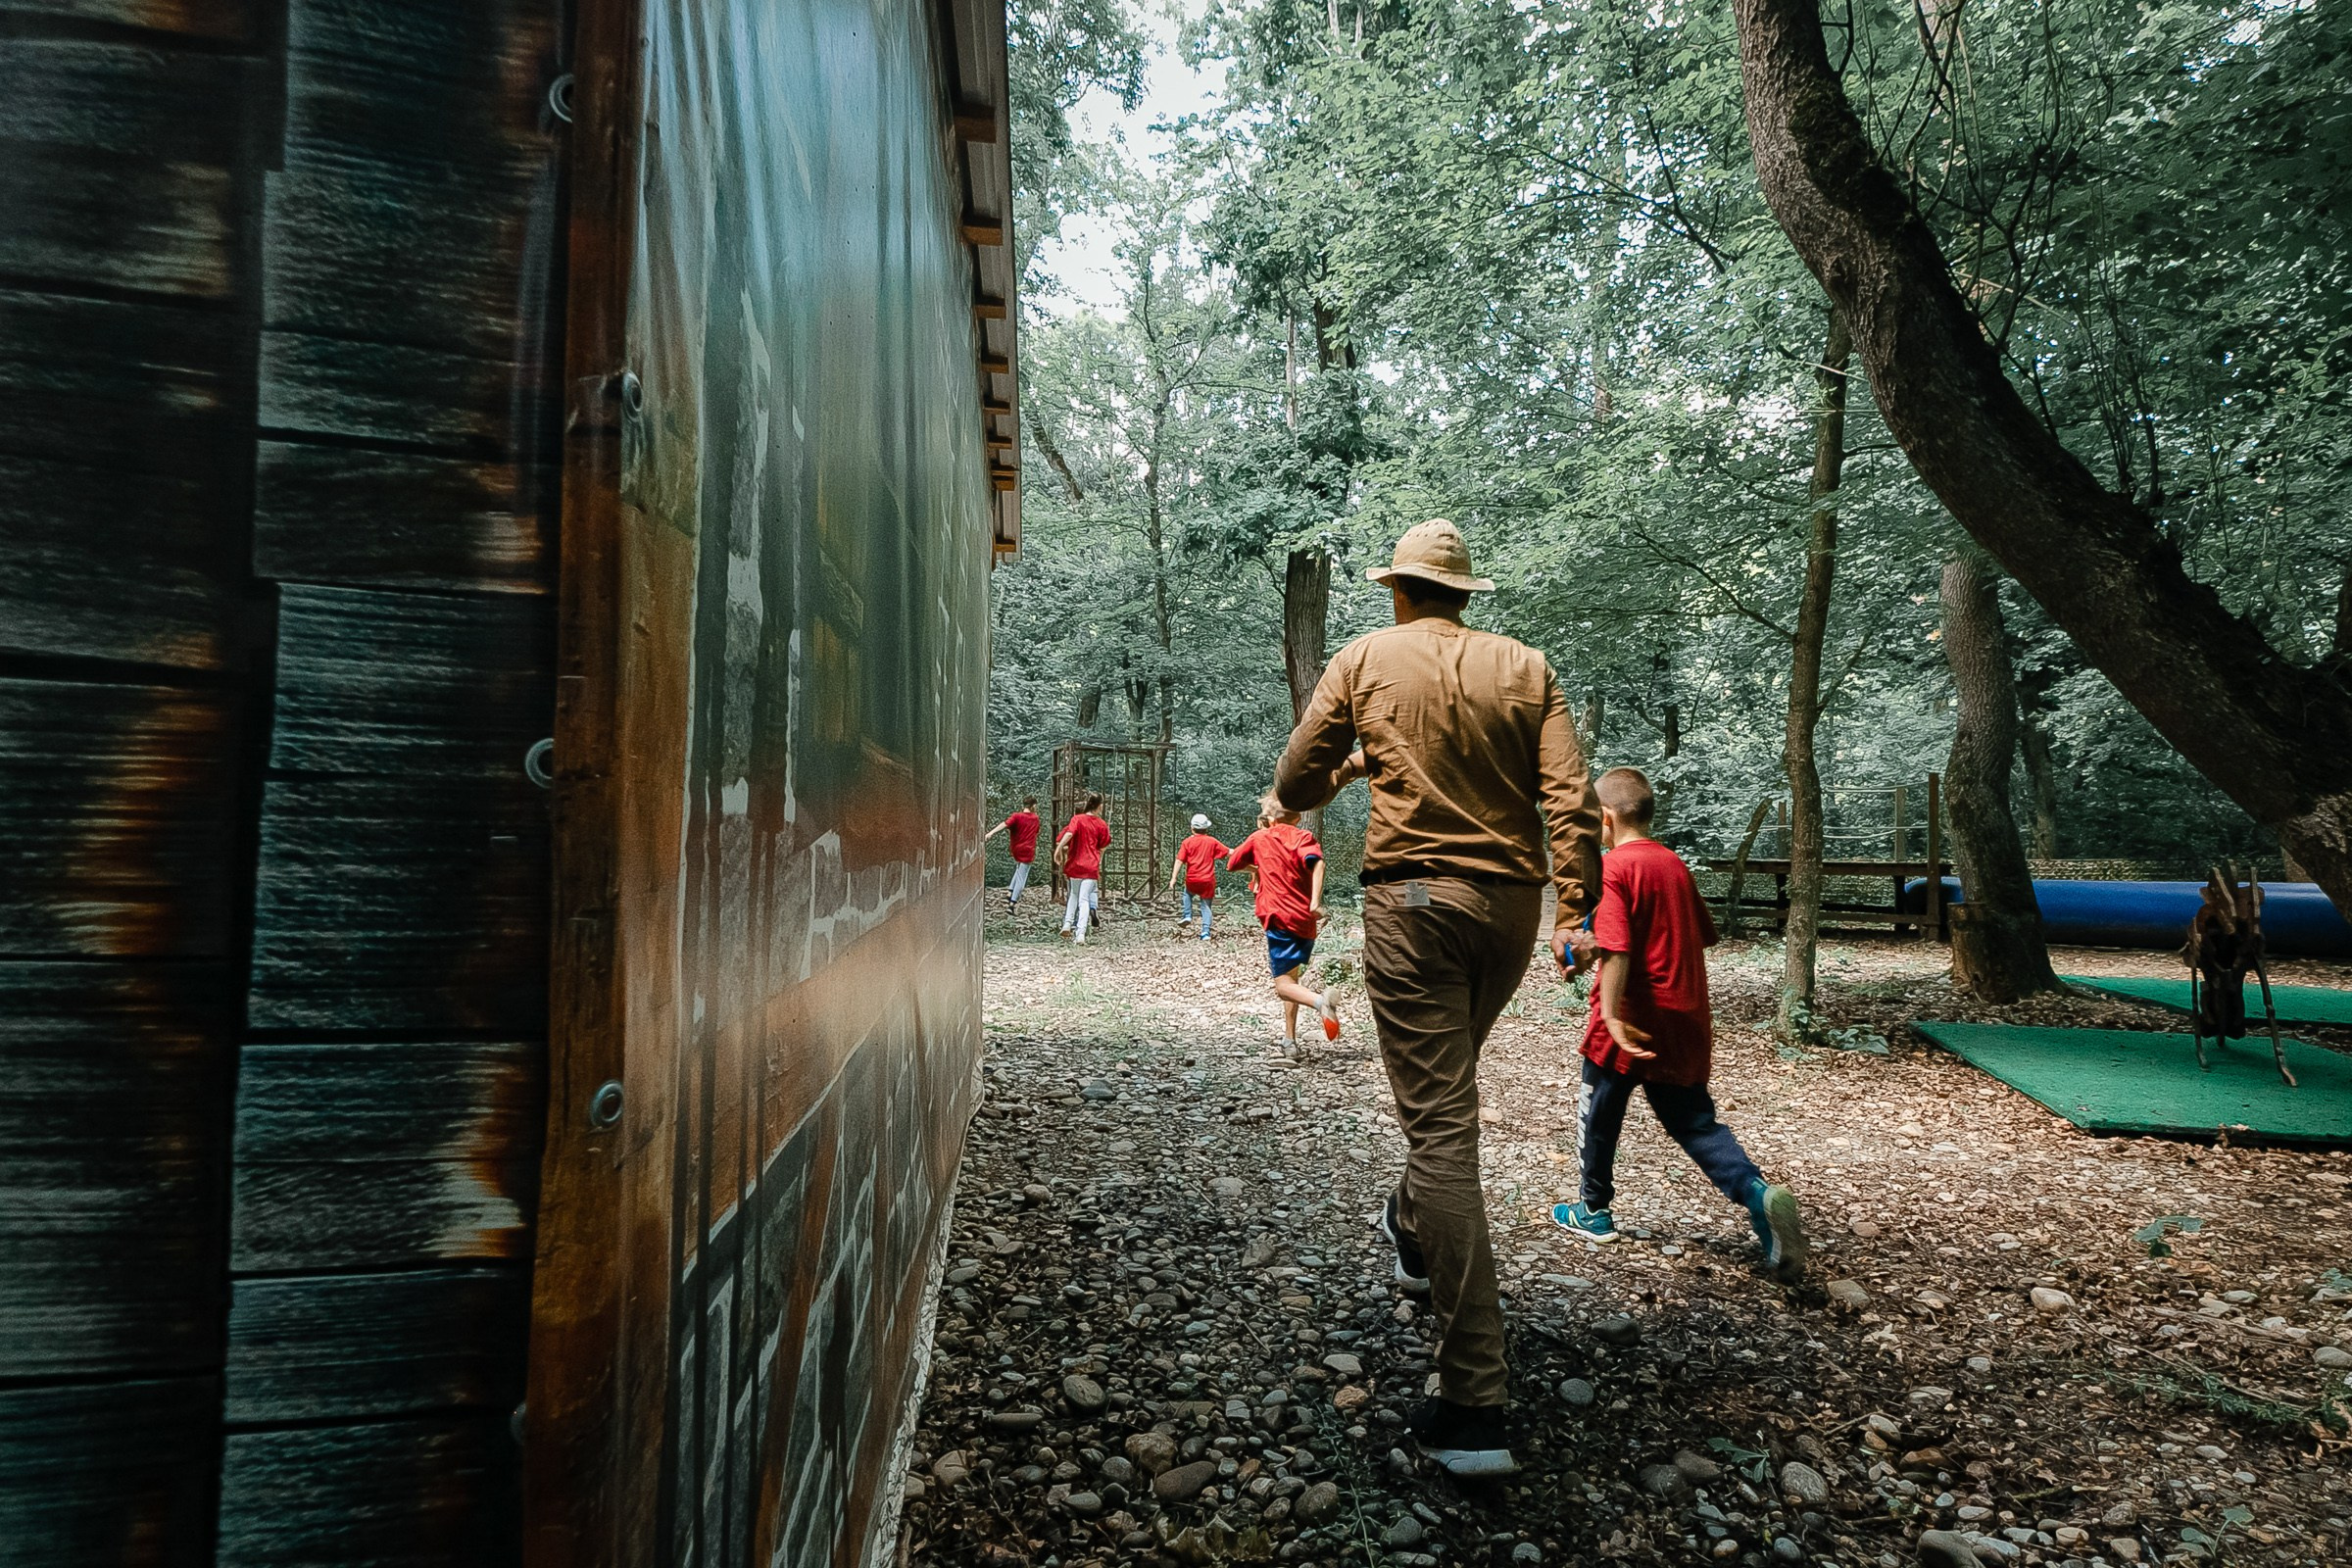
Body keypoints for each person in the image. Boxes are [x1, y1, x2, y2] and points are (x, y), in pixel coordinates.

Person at [1274, 517, 1602, 1478]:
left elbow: (1296, 778)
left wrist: (1348, 764)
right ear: (1464, 593)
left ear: (1398, 589)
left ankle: (1473, 1403)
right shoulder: (1527, 667)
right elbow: (1570, 800)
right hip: (1509, 912)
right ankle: (1412, 1230)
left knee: (1443, 1134)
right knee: (1446, 1104)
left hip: (1413, 907)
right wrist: (1576, 909)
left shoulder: (1364, 658)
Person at [1550, 767, 1809, 1279]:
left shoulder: (1612, 866)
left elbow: (1619, 947)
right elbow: (1690, 934)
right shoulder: (1673, 864)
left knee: (1598, 1112)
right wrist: (1587, 949)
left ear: (1605, 818)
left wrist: (1610, 1014)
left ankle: (1593, 1209)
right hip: (1685, 1013)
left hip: (1631, 1016)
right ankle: (1757, 1194)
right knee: (1695, 1123)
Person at [1224, 794, 1343, 1054]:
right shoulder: (1304, 838)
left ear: (1268, 818)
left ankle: (1321, 1002)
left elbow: (1232, 865)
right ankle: (1290, 1040)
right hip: (1305, 921)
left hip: (1278, 918)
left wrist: (1255, 869)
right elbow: (1318, 863)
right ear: (1298, 818)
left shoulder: (1259, 838)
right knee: (1292, 979)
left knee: (1283, 987)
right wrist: (1315, 902)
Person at [1055, 794, 1111, 944]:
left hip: (1075, 865)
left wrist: (1058, 850)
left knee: (1074, 895)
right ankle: (1080, 933)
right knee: (1084, 899)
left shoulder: (1077, 819)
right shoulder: (1101, 824)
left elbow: (1068, 834)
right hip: (1091, 866)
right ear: (1099, 806)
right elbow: (1104, 845)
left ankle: (1067, 924)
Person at [1167, 813, 1230, 940]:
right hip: (1208, 880)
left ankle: (1187, 915)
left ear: (1192, 828)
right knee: (1206, 906)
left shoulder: (1187, 842)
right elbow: (1228, 852)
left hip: (1192, 879)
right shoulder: (1212, 841)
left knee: (1187, 894)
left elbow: (1179, 861)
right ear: (1206, 828)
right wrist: (1244, 854)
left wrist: (1173, 878)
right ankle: (1205, 932)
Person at [983, 796, 1043, 909]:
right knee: (1022, 878)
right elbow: (1037, 832)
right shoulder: (1035, 818)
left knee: (1019, 869)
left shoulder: (1016, 816)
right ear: (1033, 806)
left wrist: (991, 833)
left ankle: (1010, 891)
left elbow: (1005, 824)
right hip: (1028, 850)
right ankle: (1012, 903)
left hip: (1016, 849)